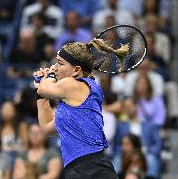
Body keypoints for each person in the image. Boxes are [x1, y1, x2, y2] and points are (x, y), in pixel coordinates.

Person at [33, 39, 118, 178]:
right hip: (80, 170)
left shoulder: (73, 84)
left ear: (76, 70)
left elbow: (44, 88)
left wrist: (49, 76)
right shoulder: (70, 104)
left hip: (92, 170)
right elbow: (46, 128)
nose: (55, 67)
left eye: (60, 63)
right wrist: (40, 93)